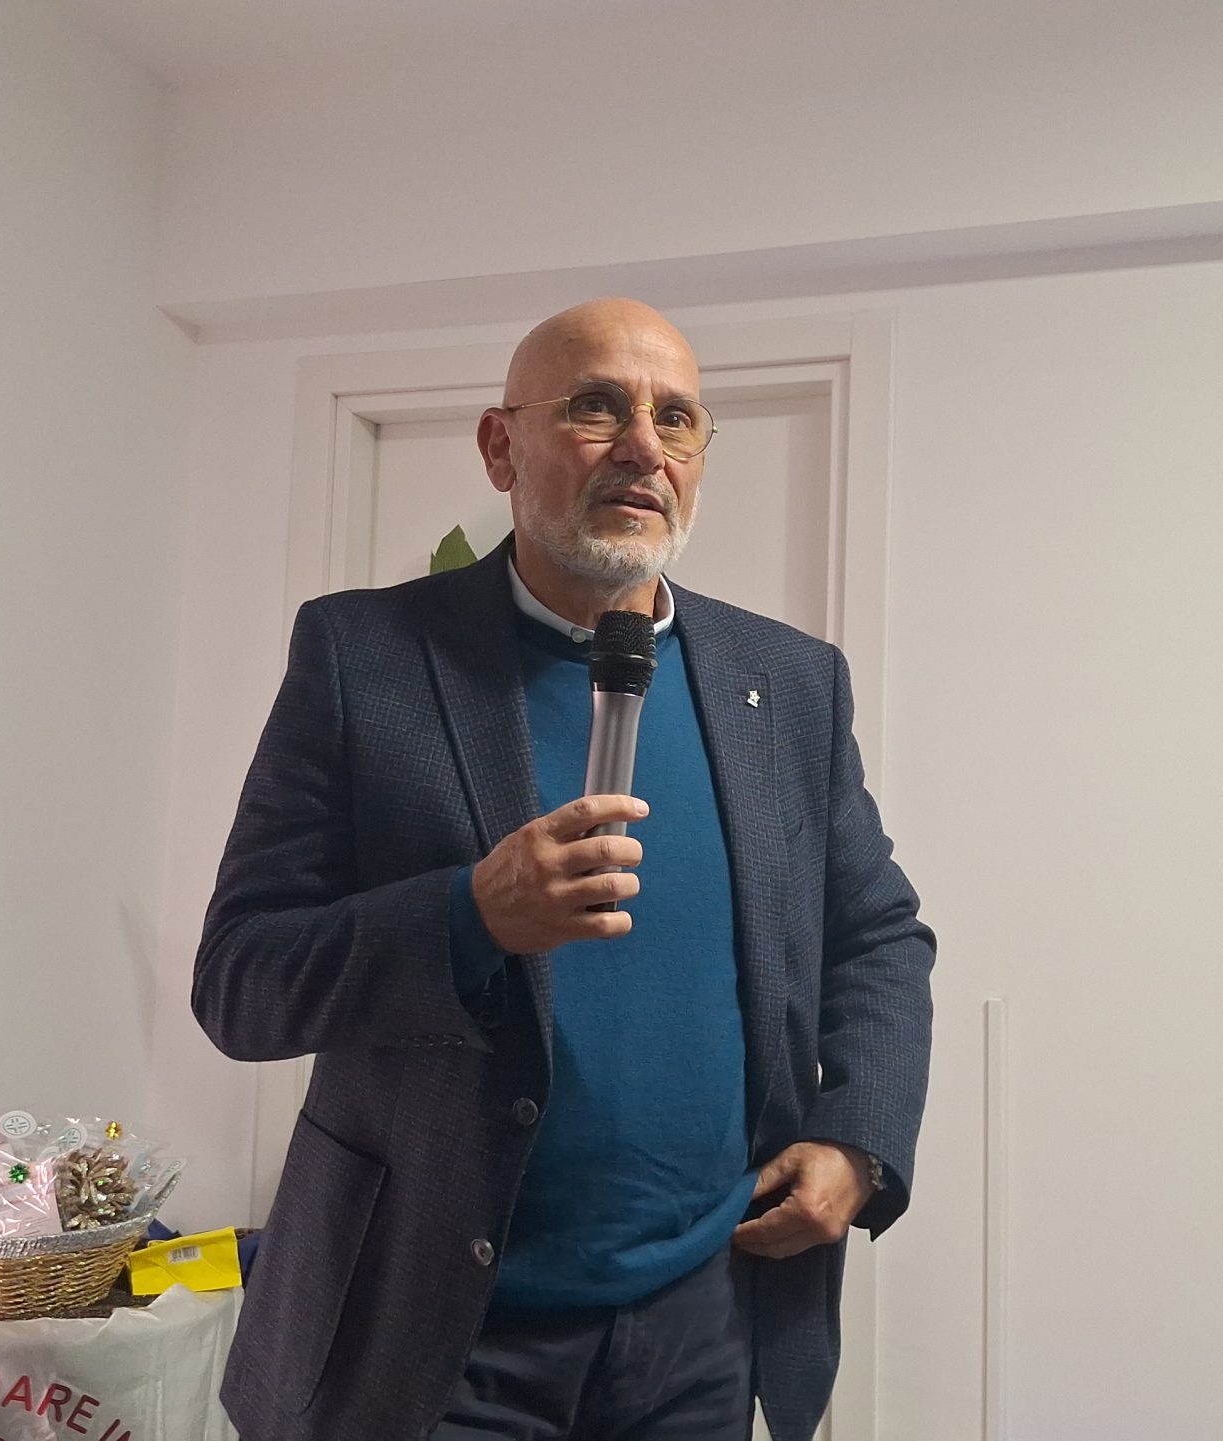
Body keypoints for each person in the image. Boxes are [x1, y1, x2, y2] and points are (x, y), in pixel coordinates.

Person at [192, 298, 935, 1441]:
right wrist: (467, 915)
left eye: (675, 418)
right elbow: (241, 978)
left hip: (701, 1326)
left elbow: (877, 934)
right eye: (596, 407)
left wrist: (857, 1137)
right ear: (502, 447)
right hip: (431, 1334)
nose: (642, 445)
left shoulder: (787, 683)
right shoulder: (364, 658)